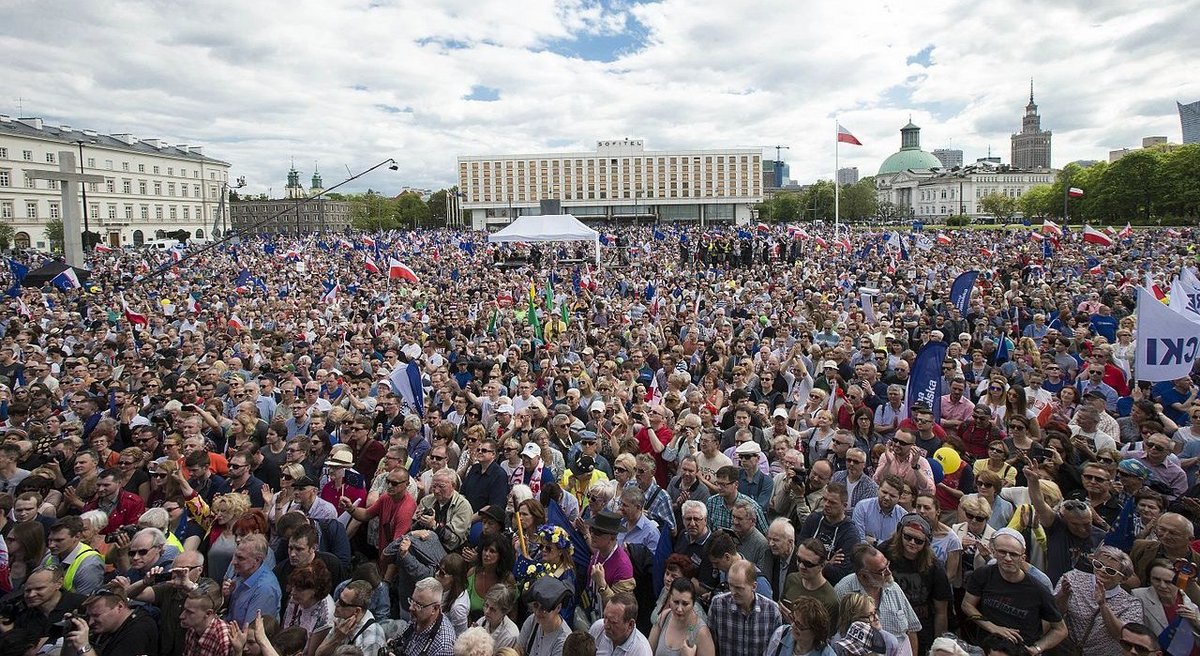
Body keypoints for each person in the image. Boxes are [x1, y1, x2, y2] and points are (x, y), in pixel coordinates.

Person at [961, 528, 1067, 653]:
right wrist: (992, 627)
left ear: (1023, 557)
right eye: (1002, 552)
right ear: (994, 552)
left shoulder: (1038, 589)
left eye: (1013, 554)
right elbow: (967, 604)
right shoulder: (983, 575)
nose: (1008, 558)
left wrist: (1037, 648)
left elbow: (1060, 630)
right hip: (986, 648)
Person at [880, 513, 950, 655]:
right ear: (900, 534)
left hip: (921, 625)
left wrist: (938, 644)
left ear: (926, 543)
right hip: (887, 619)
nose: (912, 542)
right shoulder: (884, 551)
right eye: (907, 537)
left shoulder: (935, 567)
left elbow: (941, 610)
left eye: (918, 540)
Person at [831, 544, 920, 655]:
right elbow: (836, 637)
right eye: (881, 571)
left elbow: (912, 630)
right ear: (863, 576)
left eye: (887, 565)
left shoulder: (893, 587)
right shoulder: (843, 591)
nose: (889, 572)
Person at [1052, 545, 1141, 656]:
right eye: (1098, 565)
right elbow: (1053, 615)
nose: (1102, 571)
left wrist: (1103, 605)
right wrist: (1063, 595)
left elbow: (1122, 635)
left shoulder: (1131, 604)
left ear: (1123, 579)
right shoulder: (1072, 578)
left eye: (1110, 571)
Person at [708, 560, 782, 656]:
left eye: (739, 588)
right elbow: (710, 644)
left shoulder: (772, 611)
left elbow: (775, 649)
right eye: (730, 585)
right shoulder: (718, 605)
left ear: (754, 586)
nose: (733, 592)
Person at [62, 589, 160, 656]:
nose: (91, 622)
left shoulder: (139, 629)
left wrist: (84, 647)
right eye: (89, 616)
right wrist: (71, 639)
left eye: (96, 615)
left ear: (119, 607)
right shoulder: (107, 625)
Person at [1131, 559, 1200, 647]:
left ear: (1179, 582)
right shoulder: (1139, 596)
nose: (1162, 586)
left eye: (1168, 582)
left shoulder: (1190, 602)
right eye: (1156, 579)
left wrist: (1196, 623)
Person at [317, 580, 388, 656]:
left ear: (357, 611)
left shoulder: (372, 638)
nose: (336, 603)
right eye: (339, 598)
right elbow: (318, 653)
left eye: (342, 603)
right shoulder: (343, 618)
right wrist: (336, 638)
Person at [224, 533, 282, 625]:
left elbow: (250, 633)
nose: (234, 562)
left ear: (257, 560)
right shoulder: (243, 573)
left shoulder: (265, 589)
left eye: (240, 558)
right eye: (234, 556)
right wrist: (226, 596)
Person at [647, 578, 714, 656]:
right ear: (670, 599)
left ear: (693, 603)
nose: (679, 609)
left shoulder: (702, 633)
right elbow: (648, 651)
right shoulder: (664, 617)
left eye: (685, 604)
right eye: (675, 602)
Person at [782, 538, 839, 623]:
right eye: (799, 559)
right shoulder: (792, 579)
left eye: (808, 564)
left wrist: (796, 623)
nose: (801, 566)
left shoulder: (830, 600)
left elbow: (825, 634)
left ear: (822, 565)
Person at [46, 516, 105, 595]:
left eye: (59, 540)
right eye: (50, 540)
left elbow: (84, 602)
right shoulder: (51, 555)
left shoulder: (90, 564)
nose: (51, 545)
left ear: (77, 537)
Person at [516, 576, 571, 656]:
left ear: (558, 608)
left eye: (544, 608)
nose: (538, 612)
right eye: (535, 605)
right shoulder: (532, 620)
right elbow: (518, 650)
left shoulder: (563, 641)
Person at [764, 595, 836, 656]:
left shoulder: (827, 654)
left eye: (800, 625)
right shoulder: (781, 634)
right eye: (793, 619)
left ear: (815, 631)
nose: (793, 626)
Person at [589, 591, 652, 656]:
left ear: (630, 624)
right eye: (605, 617)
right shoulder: (598, 628)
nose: (606, 626)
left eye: (613, 622)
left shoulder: (641, 652)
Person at [179, 587, 234, 656]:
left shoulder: (223, 640)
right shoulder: (192, 628)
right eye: (185, 610)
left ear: (208, 613)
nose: (182, 616)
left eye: (189, 612)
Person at [474, 584, 519, 651]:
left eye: (493, 609)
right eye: (486, 605)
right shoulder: (482, 621)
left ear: (504, 611)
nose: (487, 611)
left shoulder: (510, 636)